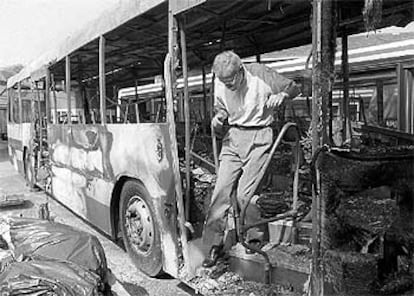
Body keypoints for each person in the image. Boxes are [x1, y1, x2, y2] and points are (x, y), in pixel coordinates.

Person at [202, 51, 300, 268]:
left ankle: (252, 240)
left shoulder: (260, 74)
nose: (227, 85)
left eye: (231, 80)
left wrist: (282, 96)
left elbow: (294, 87)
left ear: (240, 71)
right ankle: (213, 246)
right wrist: (219, 118)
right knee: (220, 193)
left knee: (245, 194)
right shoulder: (220, 82)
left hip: (259, 135)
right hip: (234, 136)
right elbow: (221, 108)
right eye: (223, 81)